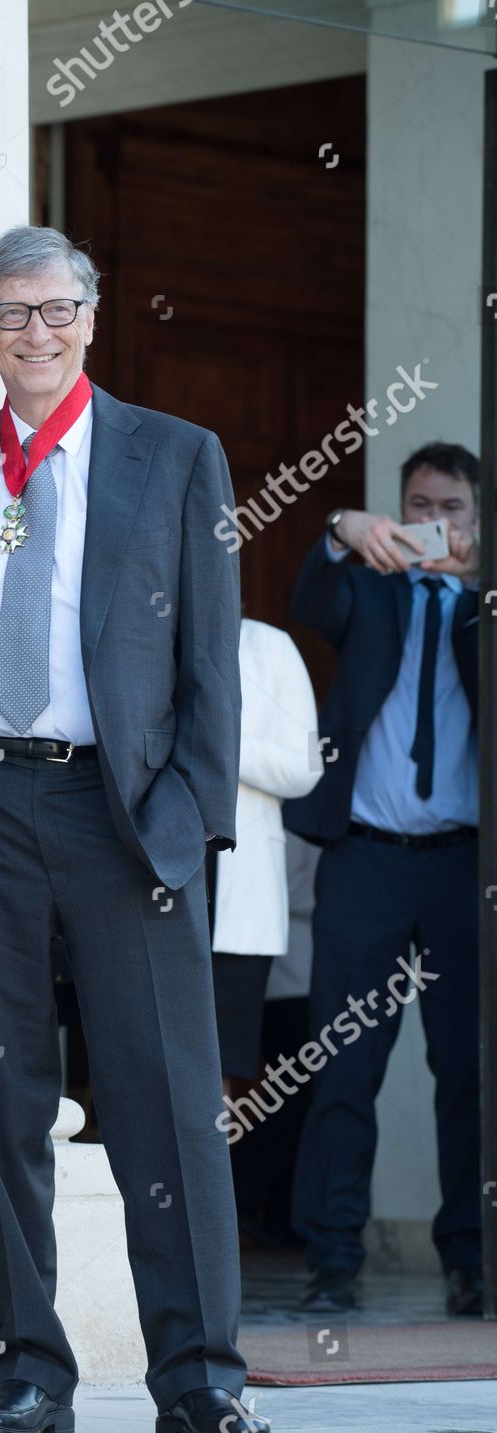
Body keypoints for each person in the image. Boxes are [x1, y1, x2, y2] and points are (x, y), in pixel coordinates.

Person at [0, 225, 273, 1433]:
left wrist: (183, 823)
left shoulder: (176, 455)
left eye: (56, 308)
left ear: (92, 319)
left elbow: (211, 660)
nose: (36, 331)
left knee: (166, 1101)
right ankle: (30, 1371)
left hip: (124, 817)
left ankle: (200, 1379)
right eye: (11, 312)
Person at [283, 443, 481, 1315]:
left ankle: (473, 1258)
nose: (432, 522)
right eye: (418, 506)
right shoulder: (369, 587)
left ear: (477, 520)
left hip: (465, 870)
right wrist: (340, 529)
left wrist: (477, 587)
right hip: (366, 859)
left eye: (451, 508)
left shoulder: (483, 605)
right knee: (344, 1063)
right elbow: (308, 601)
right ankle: (332, 1260)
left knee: (468, 1070)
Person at [207, 617, 321, 1084]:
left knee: (221, 1064)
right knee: (136, 1060)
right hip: (145, 873)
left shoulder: (269, 646)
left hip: (239, 886)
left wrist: (219, 740)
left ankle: (214, 1141)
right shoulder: (139, 632)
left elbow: (307, 767)